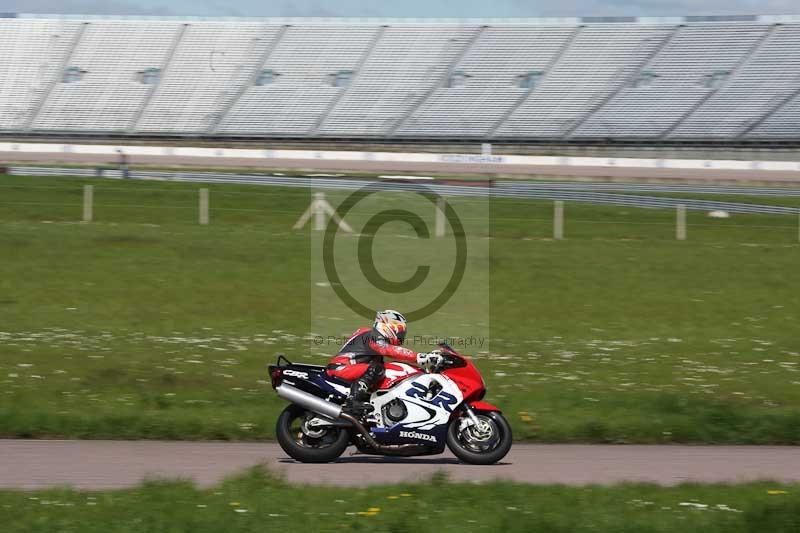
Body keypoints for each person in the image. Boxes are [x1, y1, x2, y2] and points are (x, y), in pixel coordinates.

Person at [327, 310, 442, 416]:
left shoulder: (373, 340)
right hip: (342, 368)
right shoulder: (371, 335)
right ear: (388, 327)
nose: (401, 336)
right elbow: (387, 349)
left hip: (351, 370)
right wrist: (418, 357)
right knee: (378, 369)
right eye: (400, 331)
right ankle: (353, 402)